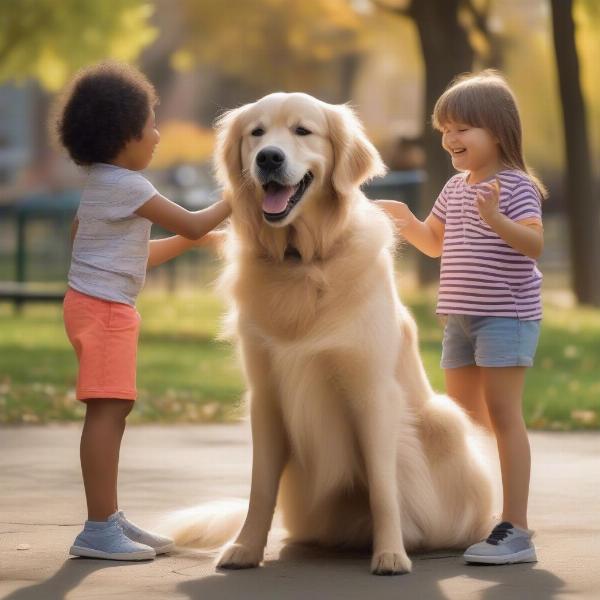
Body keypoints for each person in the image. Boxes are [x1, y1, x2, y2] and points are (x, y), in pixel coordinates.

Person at [55, 61, 230, 560]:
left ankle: (108, 517)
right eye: (151, 124)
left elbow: (131, 252)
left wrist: (191, 242)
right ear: (125, 134)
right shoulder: (129, 187)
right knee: (107, 414)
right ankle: (96, 529)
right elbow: (195, 224)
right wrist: (238, 195)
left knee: (113, 411)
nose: (156, 135)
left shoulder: (98, 184)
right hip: (106, 311)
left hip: (92, 305)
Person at [377, 70, 546, 565]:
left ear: (497, 129)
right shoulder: (455, 187)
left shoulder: (516, 186)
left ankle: (516, 528)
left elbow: (534, 245)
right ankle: (470, 513)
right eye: (444, 130)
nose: (450, 138)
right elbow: (435, 244)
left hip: (505, 318)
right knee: (461, 422)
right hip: (460, 321)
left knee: (502, 416)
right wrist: (405, 219)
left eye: (462, 128)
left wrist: (497, 219)